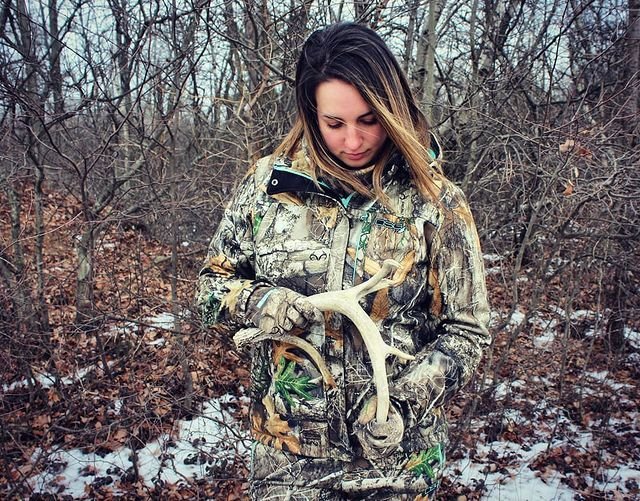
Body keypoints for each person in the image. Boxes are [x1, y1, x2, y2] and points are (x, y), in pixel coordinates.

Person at [197, 22, 490, 500]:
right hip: (286, 461)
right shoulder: (267, 186)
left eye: (369, 120)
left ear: (392, 110)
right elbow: (210, 285)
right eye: (334, 124)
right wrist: (259, 301)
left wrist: (402, 403)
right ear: (311, 115)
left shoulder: (436, 203)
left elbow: (469, 330)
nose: (353, 141)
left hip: (396, 464)